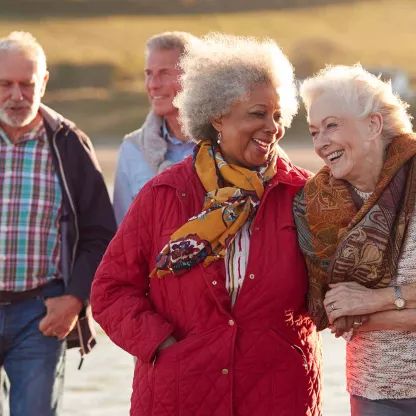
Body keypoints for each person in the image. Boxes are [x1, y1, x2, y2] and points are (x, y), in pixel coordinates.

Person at [92, 33, 322, 416]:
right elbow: (110, 290)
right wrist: (162, 344)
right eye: (257, 113)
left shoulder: (304, 194)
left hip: (278, 392)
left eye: (278, 115)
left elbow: (336, 290)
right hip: (180, 391)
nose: (273, 127)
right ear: (216, 115)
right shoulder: (163, 193)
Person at [0, 31, 116, 415]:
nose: (17, 95)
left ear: (43, 83)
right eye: (5, 84)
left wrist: (75, 298)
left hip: (41, 315)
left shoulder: (68, 143)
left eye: (26, 84)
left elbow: (100, 232)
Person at [293, 64, 416, 415]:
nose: (320, 142)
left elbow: (352, 309)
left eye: (332, 125)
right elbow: (334, 314)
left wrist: (373, 300)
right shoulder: (316, 204)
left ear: (373, 124)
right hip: (372, 393)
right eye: (314, 131)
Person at [113, 31, 198, 225]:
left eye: (164, 73)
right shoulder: (132, 149)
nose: (152, 85)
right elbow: (123, 234)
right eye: (149, 74)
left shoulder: (230, 145)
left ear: (194, 78)